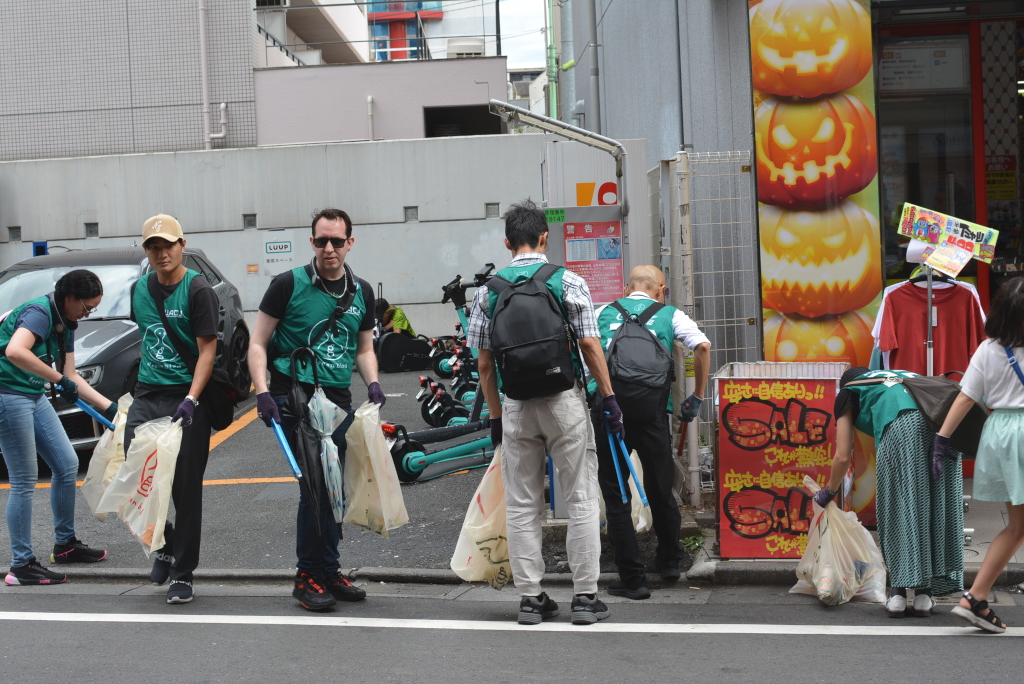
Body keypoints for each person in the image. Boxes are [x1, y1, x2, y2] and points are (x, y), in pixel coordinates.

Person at [469, 199, 622, 626]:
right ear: (544, 238)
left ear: (507, 243)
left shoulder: (485, 292)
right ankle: (585, 597)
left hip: (517, 405)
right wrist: (609, 398)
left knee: (522, 504)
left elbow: (484, 365)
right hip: (563, 401)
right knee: (580, 497)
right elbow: (589, 344)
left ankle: (531, 599)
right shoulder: (568, 280)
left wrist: (496, 418)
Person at [249, 208, 384, 612]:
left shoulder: (362, 292)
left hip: (337, 402)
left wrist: (373, 383)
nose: (329, 248)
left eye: (337, 241)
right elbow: (257, 342)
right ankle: (307, 575)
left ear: (349, 243)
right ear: (312, 242)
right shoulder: (287, 285)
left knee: (334, 486)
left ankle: (327, 569)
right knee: (315, 487)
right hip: (295, 398)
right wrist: (263, 393)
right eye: (322, 240)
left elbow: (364, 348)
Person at [588, 265, 710, 599]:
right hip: (653, 413)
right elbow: (702, 347)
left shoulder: (602, 312)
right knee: (660, 488)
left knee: (616, 494)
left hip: (610, 413)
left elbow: (585, 353)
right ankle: (669, 563)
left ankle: (633, 579)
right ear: (661, 290)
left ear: (627, 288)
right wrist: (697, 397)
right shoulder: (670, 314)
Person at [816, 367, 964, 617]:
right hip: (946, 427)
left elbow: (842, 455)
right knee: (938, 505)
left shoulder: (849, 390)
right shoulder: (905, 375)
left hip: (902, 429)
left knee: (898, 507)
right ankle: (925, 595)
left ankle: (897, 596)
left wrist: (829, 491)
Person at [126, 214, 220, 605]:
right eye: (153, 247)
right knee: (137, 479)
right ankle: (163, 543)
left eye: (167, 245)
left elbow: (207, 350)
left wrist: (192, 398)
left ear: (182, 245)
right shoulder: (139, 288)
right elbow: (146, 338)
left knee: (184, 488)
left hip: (187, 396)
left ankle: (183, 572)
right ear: (146, 251)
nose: (161, 253)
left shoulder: (198, 290)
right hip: (148, 395)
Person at [1, 270, 116, 585]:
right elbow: (15, 351)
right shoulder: (39, 313)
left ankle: (65, 545)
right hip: (7, 395)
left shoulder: (66, 322)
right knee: (23, 479)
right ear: (70, 298)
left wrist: (109, 407)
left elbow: (71, 374)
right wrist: (58, 380)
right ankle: (21, 565)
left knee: (66, 464)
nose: (88, 313)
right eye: (87, 307)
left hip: (32, 394)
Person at [937, 279, 1024, 633]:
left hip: (1000, 431)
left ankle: (975, 597)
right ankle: (974, 597)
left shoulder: (988, 350)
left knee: (1017, 525)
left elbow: (965, 397)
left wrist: (941, 439)